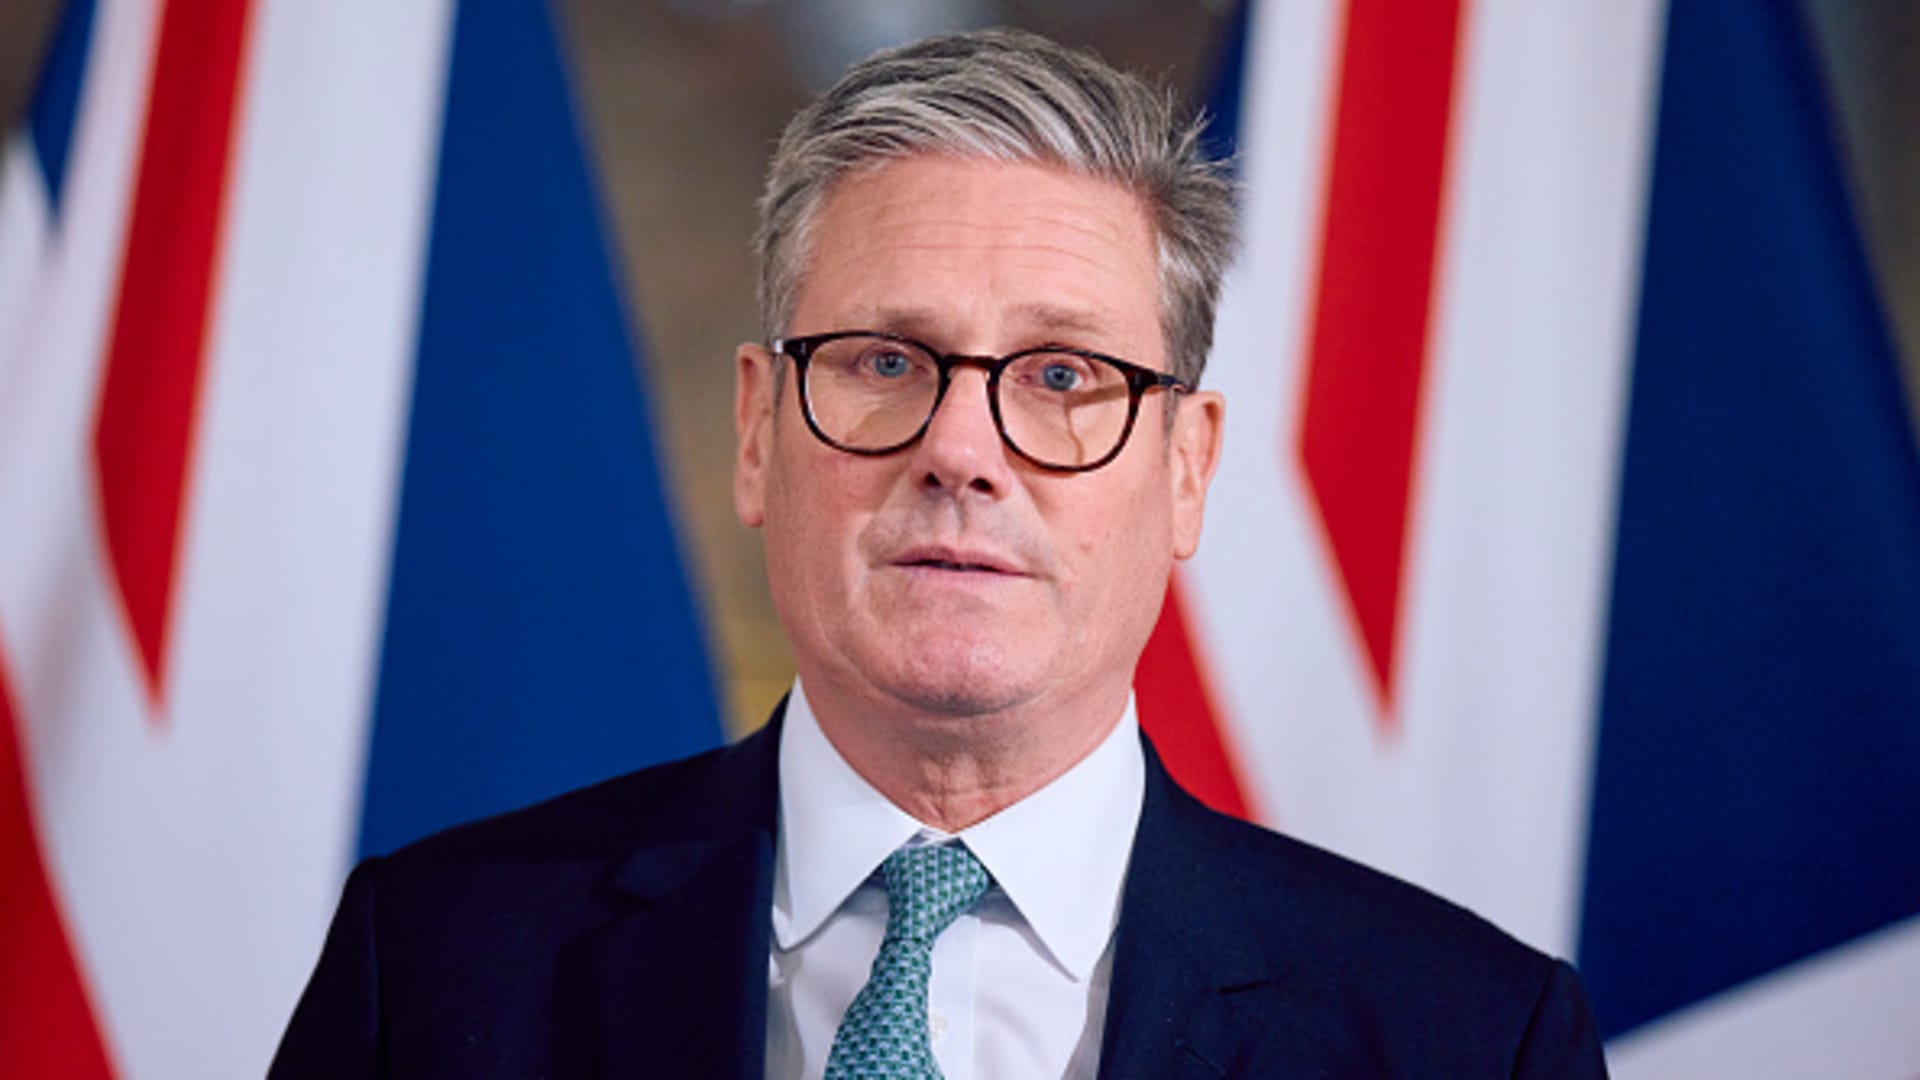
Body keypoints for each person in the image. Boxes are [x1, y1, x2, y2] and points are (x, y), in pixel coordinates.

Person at [271, 27, 1607, 1079]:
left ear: (1187, 469)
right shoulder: (437, 964)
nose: (962, 448)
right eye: (885, 360)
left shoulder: (1469, 1038)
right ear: (757, 430)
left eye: (1065, 374)